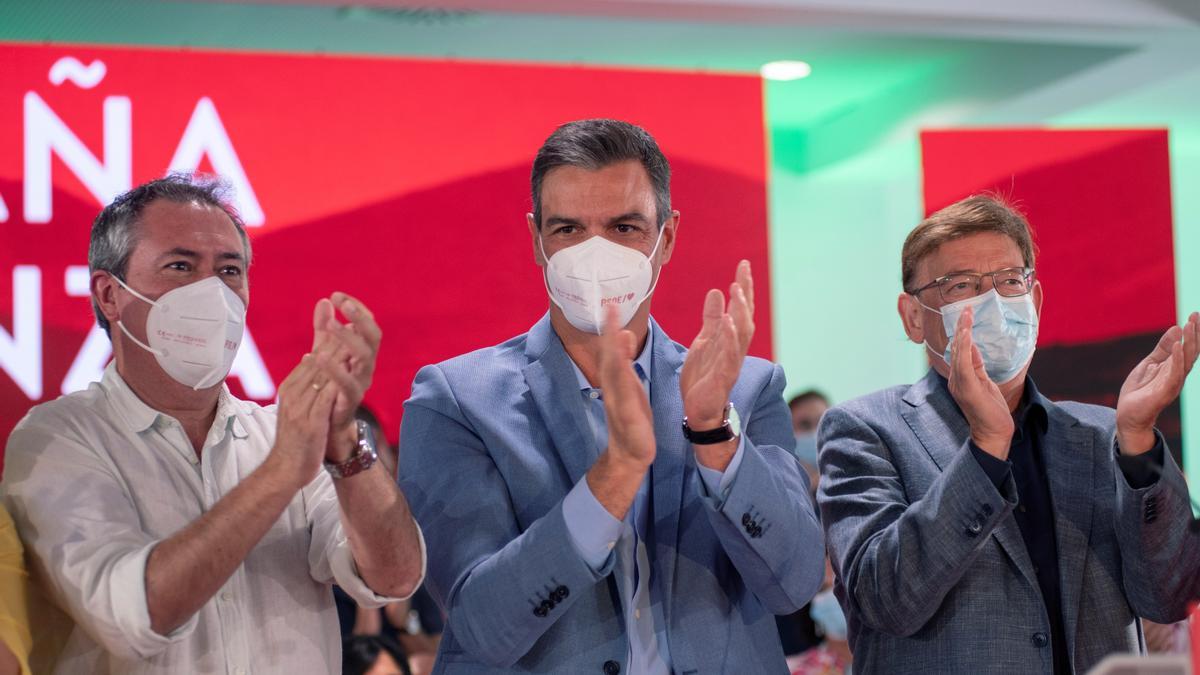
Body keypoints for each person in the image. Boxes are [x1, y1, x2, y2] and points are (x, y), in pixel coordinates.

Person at [399, 118, 825, 673]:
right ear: (536, 241)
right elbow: (482, 623)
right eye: (569, 230)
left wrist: (713, 433)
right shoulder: (457, 400)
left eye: (624, 228)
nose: (594, 255)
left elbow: (794, 583)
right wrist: (617, 472)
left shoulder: (745, 388)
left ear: (666, 237)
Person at [1, 175, 426, 674]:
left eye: (229, 270)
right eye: (180, 266)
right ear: (109, 295)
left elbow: (394, 577)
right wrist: (283, 471)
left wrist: (344, 444)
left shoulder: (281, 434)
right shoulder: (59, 438)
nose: (212, 292)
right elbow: (132, 616)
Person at [817, 194, 1200, 674]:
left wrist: (1140, 443)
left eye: (1009, 281)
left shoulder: (1103, 435)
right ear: (913, 317)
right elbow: (885, 601)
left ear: (1034, 299)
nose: (994, 302)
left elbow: (1170, 597)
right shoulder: (865, 430)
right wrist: (984, 451)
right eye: (961, 286)